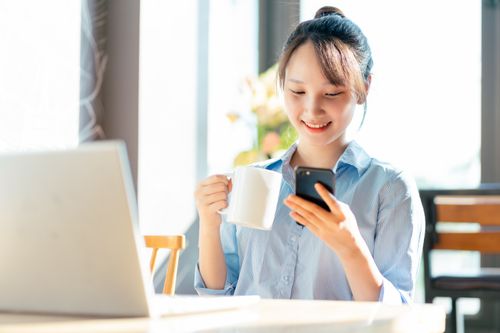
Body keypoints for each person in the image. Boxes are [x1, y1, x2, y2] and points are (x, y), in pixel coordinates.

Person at [194, 6, 425, 304]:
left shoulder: (390, 188)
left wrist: (350, 247)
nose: (312, 109)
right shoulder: (257, 180)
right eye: (297, 92)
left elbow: (397, 315)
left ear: (364, 88)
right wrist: (209, 225)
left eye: (331, 94)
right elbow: (218, 295)